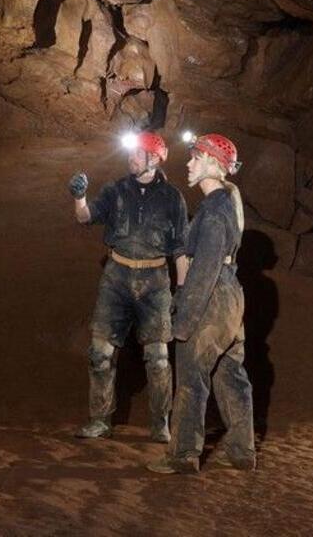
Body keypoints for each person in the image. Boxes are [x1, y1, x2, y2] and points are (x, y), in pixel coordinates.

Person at [68, 131, 188, 443]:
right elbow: (85, 218)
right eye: (131, 153)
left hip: (155, 282)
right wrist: (79, 196)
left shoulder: (173, 198)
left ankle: (160, 424)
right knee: (99, 353)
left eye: (138, 154)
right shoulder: (116, 190)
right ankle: (99, 420)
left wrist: (183, 291)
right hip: (117, 276)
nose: (131, 158)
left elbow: (179, 250)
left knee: (159, 358)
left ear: (155, 159)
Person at [148, 133, 256, 474]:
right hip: (231, 298)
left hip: (212, 298)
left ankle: (182, 456)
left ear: (213, 164)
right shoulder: (225, 204)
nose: (189, 163)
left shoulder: (212, 213)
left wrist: (183, 322)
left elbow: (204, 271)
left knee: (192, 379)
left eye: (196, 158)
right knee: (231, 376)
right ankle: (242, 452)